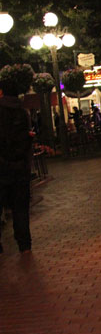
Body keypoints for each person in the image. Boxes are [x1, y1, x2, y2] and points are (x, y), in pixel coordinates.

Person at [0, 64, 35, 253]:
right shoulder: (23, 113)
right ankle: (24, 244)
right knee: (20, 208)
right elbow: (27, 137)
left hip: (2, 167)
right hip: (20, 167)